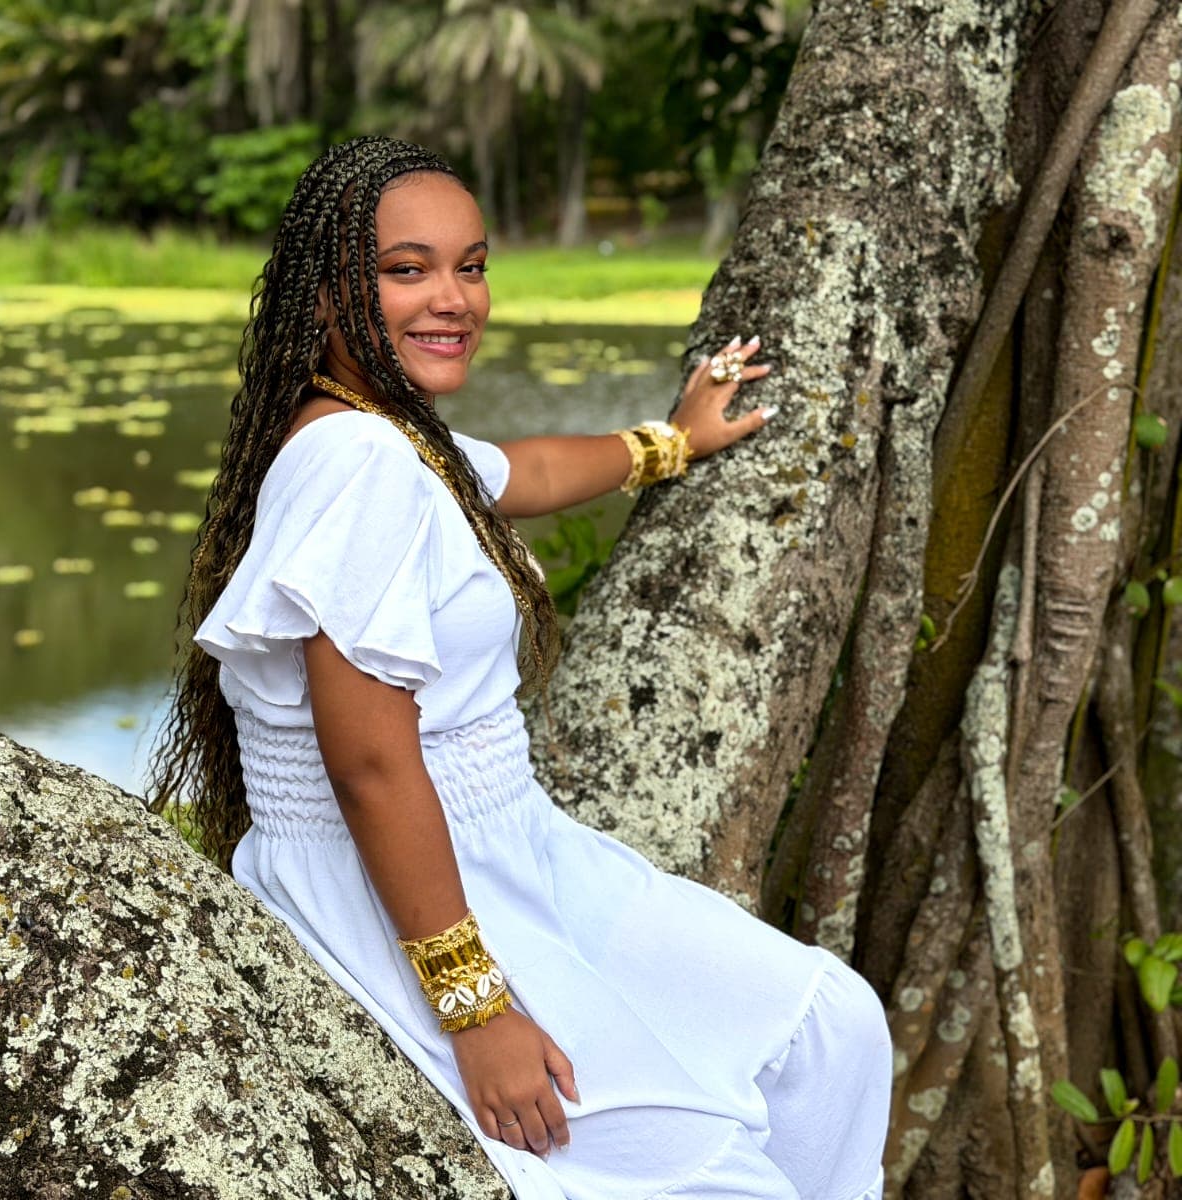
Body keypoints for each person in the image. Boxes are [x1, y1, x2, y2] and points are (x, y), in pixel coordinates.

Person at [151, 136, 891, 1200]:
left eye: (472, 264)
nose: (453, 297)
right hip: (401, 886)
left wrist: (667, 443)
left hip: (516, 845)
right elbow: (366, 760)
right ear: (324, 298)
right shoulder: (356, 463)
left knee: (826, 1027)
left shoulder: (392, 436)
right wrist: (476, 1008)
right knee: (709, 1177)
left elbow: (526, 470)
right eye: (406, 270)